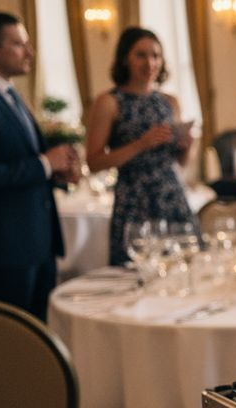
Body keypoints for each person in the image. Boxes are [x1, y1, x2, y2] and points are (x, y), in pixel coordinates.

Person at [85, 26, 198, 267]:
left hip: (171, 194)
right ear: (125, 59)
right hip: (134, 199)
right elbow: (94, 162)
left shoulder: (170, 101)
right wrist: (141, 144)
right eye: (141, 55)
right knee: (136, 271)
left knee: (183, 267)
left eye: (155, 55)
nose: (150, 63)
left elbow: (181, 163)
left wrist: (186, 146)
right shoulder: (109, 102)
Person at [0, 12, 76, 320]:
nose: (30, 52)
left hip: (39, 243)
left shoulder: (12, 96)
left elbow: (21, 162)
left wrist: (57, 172)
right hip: (6, 250)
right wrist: (44, 163)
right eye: (19, 44)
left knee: (38, 340)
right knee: (10, 345)